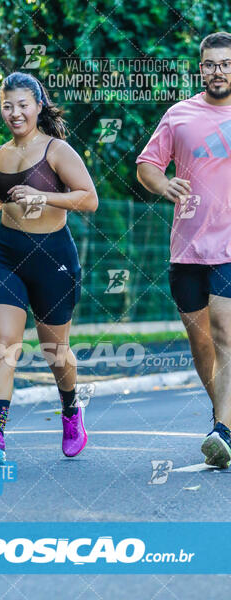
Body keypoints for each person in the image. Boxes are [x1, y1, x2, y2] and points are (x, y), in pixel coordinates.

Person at [0, 71, 98, 463]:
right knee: (3, 346)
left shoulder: (57, 151)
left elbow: (89, 199)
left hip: (53, 258)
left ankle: (71, 411)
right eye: (7, 105)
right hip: (7, 255)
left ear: (37, 106)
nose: (15, 113)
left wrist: (44, 196)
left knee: (56, 352)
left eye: (23, 105)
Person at [136, 31, 231, 468]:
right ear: (200, 68)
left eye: (226, 63)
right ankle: (225, 424)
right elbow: (147, 166)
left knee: (225, 332)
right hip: (187, 248)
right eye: (211, 63)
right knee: (200, 345)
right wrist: (164, 184)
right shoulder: (180, 115)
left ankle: (222, 430)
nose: (219, 71)